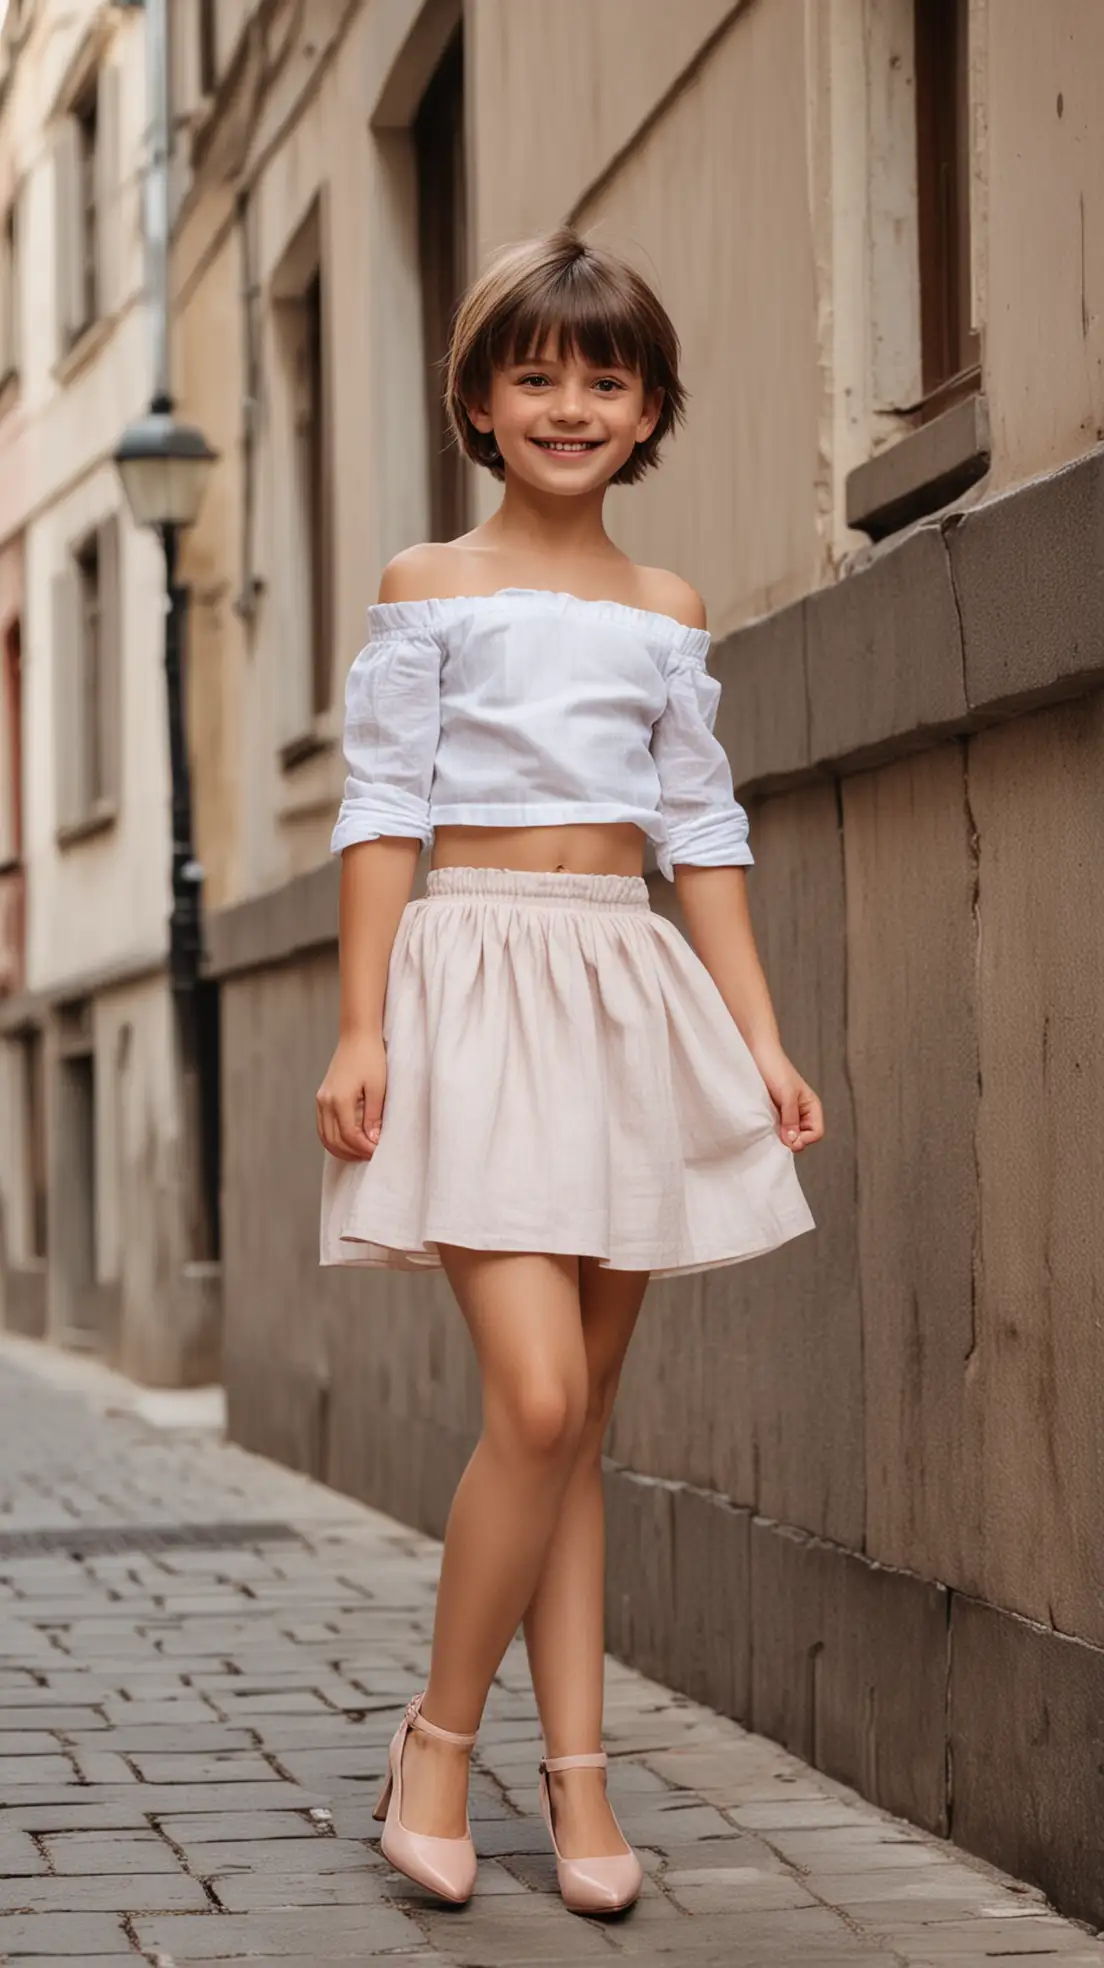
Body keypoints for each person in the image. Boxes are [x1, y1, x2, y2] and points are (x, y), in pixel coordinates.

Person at [316, 226, 823, 1916]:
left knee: (579, 1424)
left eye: (605, 378)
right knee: (530, 1398)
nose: (569, 404)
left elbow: (702, 835)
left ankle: (580, 1784)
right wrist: (365, 1021)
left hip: (622, 986)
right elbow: (383, 811)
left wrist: (756, 1039)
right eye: (535, 374)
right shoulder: (426, 586)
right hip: (470, 976)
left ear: (652, 406)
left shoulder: (666, 609)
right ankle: (438, 1744)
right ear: (477, 397)